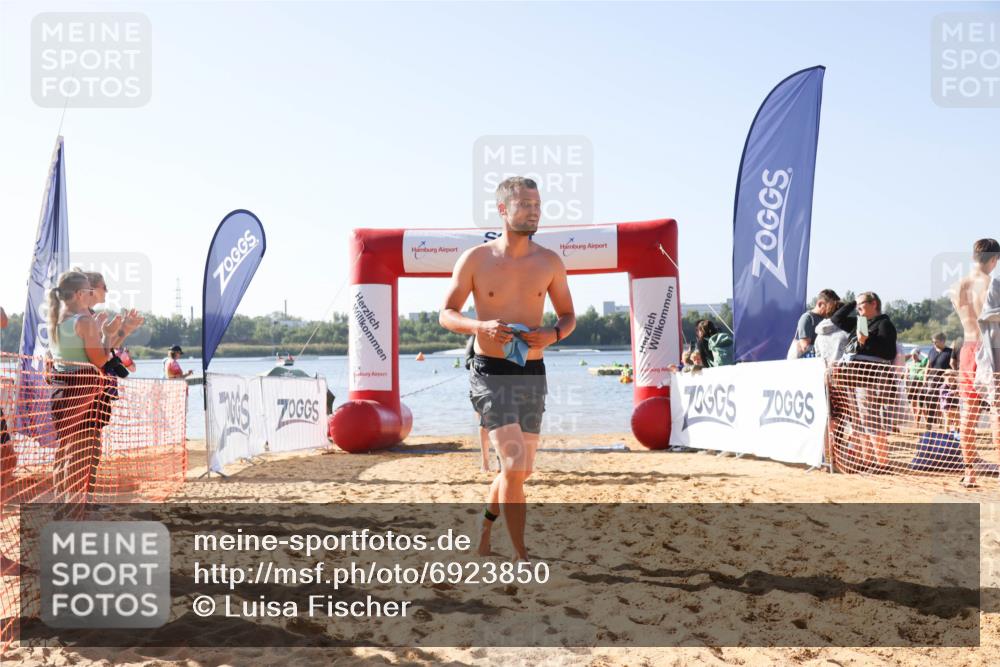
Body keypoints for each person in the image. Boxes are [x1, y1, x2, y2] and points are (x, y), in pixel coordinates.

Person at [440, 176, 575, 561]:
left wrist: (553, 334)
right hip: (489, 372)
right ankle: (521, 555)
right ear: (502, 209)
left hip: (531, 373)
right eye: (525, 205)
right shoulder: (476, 259)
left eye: (537, 205)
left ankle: (484, 531)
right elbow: (446, 313)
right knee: (514, 464)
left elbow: (568, 316)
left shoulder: (549, 261)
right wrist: (478, 326)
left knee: (519, 472)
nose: (534, 212)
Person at [47, 271, 140, 506]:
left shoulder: (56, 320)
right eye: (89, 290)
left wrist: (111, 334)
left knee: (66, 451)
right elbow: (100, 360)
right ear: (80, 294)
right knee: (82, 453)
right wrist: (110, 335)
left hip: (62, 390)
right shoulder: (84, 321)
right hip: (84, 392)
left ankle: (64, 507)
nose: (92, 294)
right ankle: (75, 510)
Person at [949, 238, 1000, 488]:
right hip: (990, 351)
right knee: (997, 413)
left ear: (973, 257)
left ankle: (969, 472)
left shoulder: (956, 287)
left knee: (968, 415)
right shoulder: (993, 285)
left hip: (967, 349)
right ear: (994, 260)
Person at [830, 291, 897, 473]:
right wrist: (854, 302)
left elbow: (889, 352)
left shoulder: (884, 324)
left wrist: (867, 340)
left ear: (874, 304)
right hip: (851, 378)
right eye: (857, 305)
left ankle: (882, 463)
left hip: (868, 379)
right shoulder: (859, 322)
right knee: (858, 421)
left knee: (870, 419)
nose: (858, 308)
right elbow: (836, 319)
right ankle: (867, 461)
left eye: (862, 304)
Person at [789, 289, 840, 359]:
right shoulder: (807, 318)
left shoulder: (825, 320)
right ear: (820, 304)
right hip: (802, 363)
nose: (832, 311)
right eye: (830, 308)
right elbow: (805, 347)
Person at [904, 349, 929, 426]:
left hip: (920, 384)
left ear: (918, 355)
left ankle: (926, 421)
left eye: (915, 355)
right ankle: (916, 421)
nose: (913, 356)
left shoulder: (922, 363)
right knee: (912, 404)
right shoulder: (909, 364)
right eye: (912, 355)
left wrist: (921, 353)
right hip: (911, 384)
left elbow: (928, 357)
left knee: (921, 404)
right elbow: (906, 375)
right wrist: (905, 386)